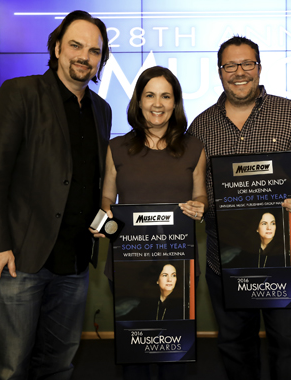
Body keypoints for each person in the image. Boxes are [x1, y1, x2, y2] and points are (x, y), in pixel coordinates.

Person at [0, 10, 111, 379]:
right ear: (56, 48)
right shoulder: (21, 92)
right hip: (20, 258)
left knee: (58, 365)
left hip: (76, 262)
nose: (85, 56)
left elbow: (91, 179)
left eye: (94, 51)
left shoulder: (102, 110)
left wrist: (102, 216)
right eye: (75, 45)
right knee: (10, 368)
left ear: (102, 59)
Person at [187, 36, 291, 380]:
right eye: (230, 65)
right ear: (219, 72)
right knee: (235, 347)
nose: (239, 72)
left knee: (289, 346)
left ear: (259, 67)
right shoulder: (200, 126)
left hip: (282, 258)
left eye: (247, 64)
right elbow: (193, 189)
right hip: (224, 260)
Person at [92, 65, 207, 380]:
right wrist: (104, 221)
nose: (158, 104)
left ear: (175, 102)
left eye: (166, 96)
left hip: (178, 266)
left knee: (175, 353)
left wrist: (199, 208)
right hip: (128, 265)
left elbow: (201, 196)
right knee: (135, 355)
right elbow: (106, 200)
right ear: (138, 101)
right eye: (150, 95)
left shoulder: (194, 148)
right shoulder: (116, 148)